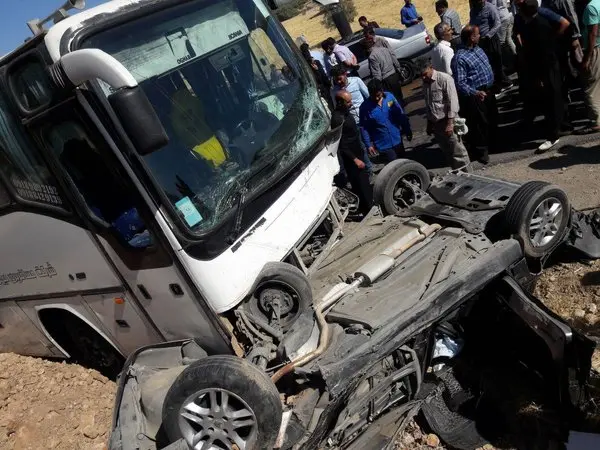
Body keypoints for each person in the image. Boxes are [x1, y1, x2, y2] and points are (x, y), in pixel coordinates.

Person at [514, 0, 565, 151]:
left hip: (545, 69)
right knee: (551, 99)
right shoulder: (540, 22)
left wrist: (540, 77)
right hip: (548, 67)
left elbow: (541, 55)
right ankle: (556, 128)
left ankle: (553, 135)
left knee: (549, 101)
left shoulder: (536, 27)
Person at [451, 25, 497, 164]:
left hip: (488, 91)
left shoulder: (478, 49)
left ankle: (494, 145)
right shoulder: (460, 58)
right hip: (477, 95)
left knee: (492, 119)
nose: (480, 36)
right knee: (479, 125)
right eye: (477, 34)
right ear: (471, 37)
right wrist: (475, 92)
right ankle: (481, 151)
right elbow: (460, 83)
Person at [331, 90, 374, 215]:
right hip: (351, 158)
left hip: (358, 151)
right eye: (348, 102)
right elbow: (341, 144)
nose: (351, 104)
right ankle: (367, 209)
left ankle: (369, 204)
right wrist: (355, 159)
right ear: (340, 102)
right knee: (359, 184)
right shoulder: (337, 118)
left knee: (364, 182)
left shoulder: (346, 113)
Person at [422, 63, 471, 170]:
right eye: (421, 75)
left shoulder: (444, 79)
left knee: (458, 152)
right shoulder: (425, 83)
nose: (423, 78)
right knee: (447, 153)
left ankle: (468, 175)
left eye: (425, 74)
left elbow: (452, 102)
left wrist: (450, 124)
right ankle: (457, 174)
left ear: (431, 67)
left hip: (448, 121)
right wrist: (429, 124)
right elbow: (428, 104)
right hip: (437, 124)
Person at [330, 66, 373, 175]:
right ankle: (369, 169)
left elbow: (368, 96)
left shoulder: (356, 81)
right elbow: (337, 108)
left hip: (365, 117)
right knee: (361, 145)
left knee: (372, 139)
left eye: (340, 78)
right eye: (336, 80)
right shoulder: (334, 91)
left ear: (345, 74)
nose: (338, 82)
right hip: (352, 121)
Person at [359, 79, 412, 163]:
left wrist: (407, 129)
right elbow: (364, 127)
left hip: (397, 139)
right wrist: (368, 145)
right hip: (383, 145)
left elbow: (400, 114)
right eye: (373, 96)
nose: (376, 98)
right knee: (394, 166)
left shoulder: (390, 97)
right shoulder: (364, 107)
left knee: (404, 163)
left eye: (378, 95)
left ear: (382, 90)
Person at [470, 0, 512, 88]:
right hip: (480, 40)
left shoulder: (490, 8)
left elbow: (497, 23)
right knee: (488, 64)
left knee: (496, 63)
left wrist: (488, 35)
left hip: (491, 39)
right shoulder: (473, 11)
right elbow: (472, 23)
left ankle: (503, 83)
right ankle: (500, 83)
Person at [579, 0, 600, 133]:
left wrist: (587, 58)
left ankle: (596, 121)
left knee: (590, 87)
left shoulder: (591, 7)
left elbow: (593, 33)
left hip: (595, 49)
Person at [365, 38, 405, 104]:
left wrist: (376, 86)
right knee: (399, 97)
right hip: (394, 76)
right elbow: (394, 60)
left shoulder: (372, 56)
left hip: (386, 81)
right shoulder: (385, 49)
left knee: (391, 101)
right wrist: (399, 70)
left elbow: (377, 74)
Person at [300, 43, 333, 109]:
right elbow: (323, 75)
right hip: (323, 86)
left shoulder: (303, 67)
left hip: (317, 89)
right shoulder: (315, 62)